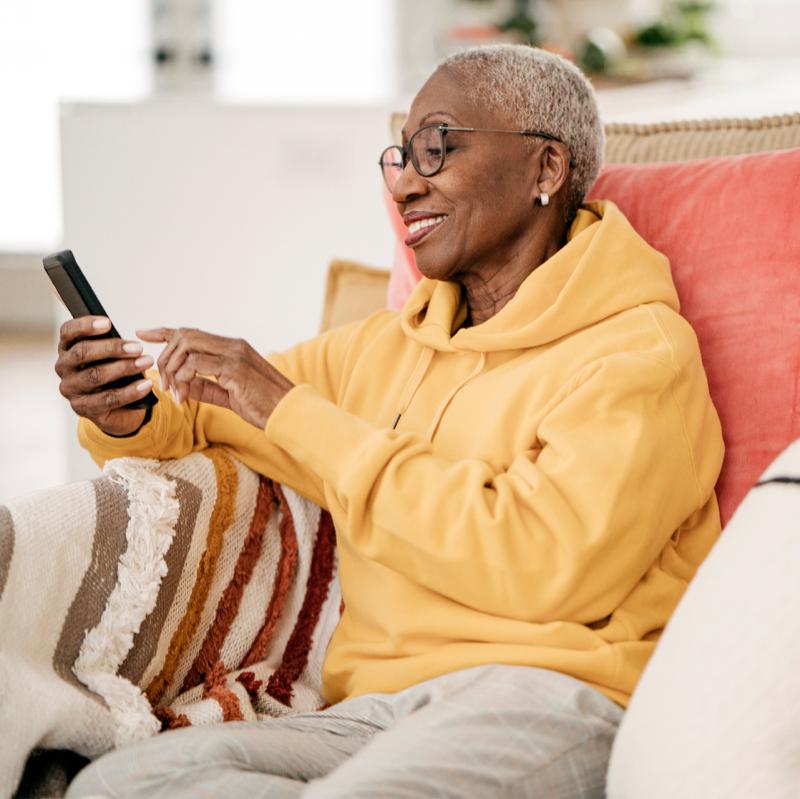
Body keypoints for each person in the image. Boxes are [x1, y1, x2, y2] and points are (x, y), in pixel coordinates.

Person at [58, 44, 724, 798]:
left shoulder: (639, 354)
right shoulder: (385, 346)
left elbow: (540, 567)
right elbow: (206, 414)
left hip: (545, 696)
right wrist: (119, 410)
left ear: (546, 169)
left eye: (437, 148)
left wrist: (289, 407)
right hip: (371, 711)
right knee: (114, 785)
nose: (406, 183)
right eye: (400, 157)